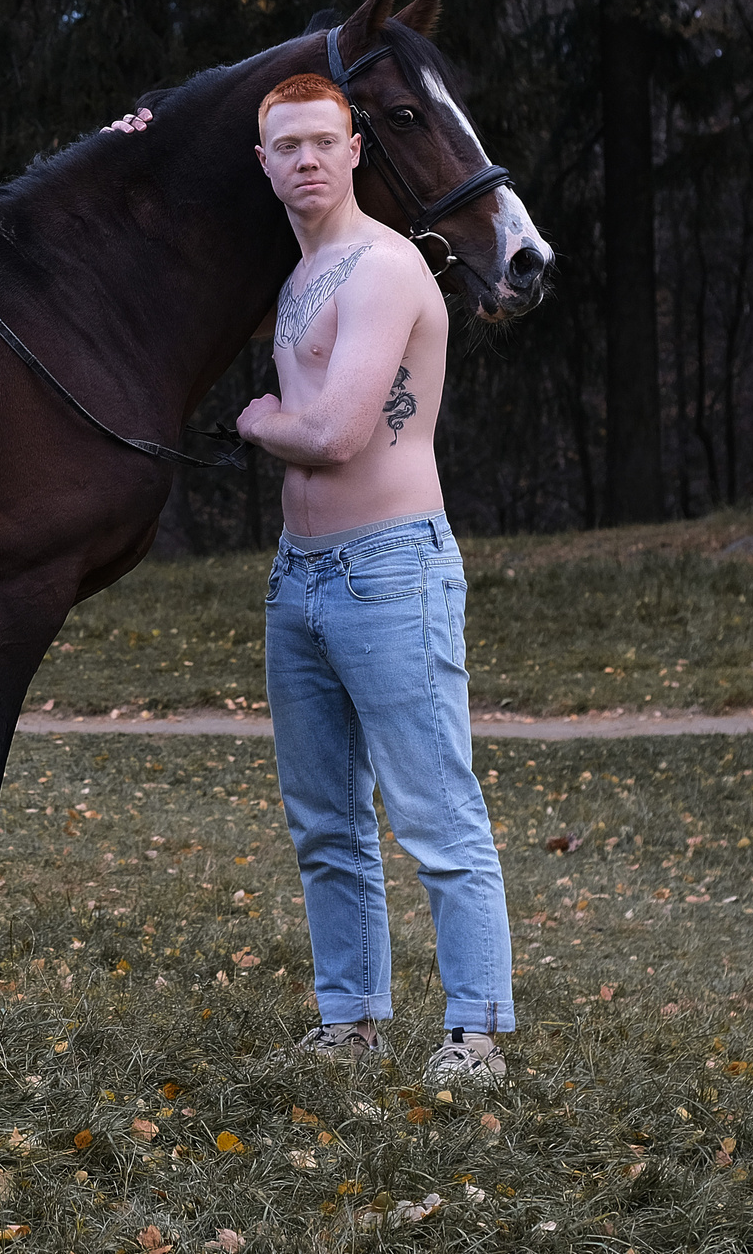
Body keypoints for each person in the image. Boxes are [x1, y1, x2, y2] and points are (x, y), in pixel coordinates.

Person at [233, 71, 513, 1086]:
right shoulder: (297, 277)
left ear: (355, 151)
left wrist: (261, 420)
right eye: (285, 147)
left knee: (435, 812)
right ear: (262, 165)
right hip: (300, 576)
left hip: (392, 569)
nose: (305, 159)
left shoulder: (386, 269)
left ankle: (476, 1035)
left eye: (322, 141)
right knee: (325, 820)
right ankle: (349, 1023)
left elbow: (340, 433)